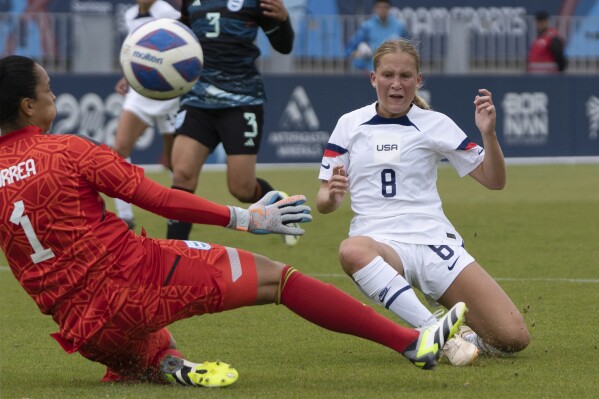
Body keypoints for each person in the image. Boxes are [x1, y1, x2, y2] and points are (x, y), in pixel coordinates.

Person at [0, 55, 468, 387]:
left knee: (147, 344)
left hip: (83, 329)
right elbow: (162, 199)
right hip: (138, 279)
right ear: (27, 106)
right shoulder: (67, 150)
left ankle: (168, 366)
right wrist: (248, 217)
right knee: (280, 280)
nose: (54, 96)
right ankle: (411, 342)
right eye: (47, 90)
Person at [316, 39, 530, 366]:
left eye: (405, 76)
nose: (396, 83)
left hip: (433, 243)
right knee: (351, 249)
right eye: (388, 74)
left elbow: (494, 181)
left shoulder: (435, 123)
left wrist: (489, 133)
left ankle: (463, 337)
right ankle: (433, 330)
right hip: (380, 243)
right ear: (373, 78)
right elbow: (323, 202)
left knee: (513, 338)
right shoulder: (350, 124)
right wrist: (331, 195)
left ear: (418, 81)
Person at [167, 0, 299, 246]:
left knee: (241, 188)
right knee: (182, 173)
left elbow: (284, 47)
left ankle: (282, 205)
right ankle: (174, 253)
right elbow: (179, 39)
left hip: (241, 102)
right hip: (197, 100)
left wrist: (284, 21)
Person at [112, 0, 181, 230]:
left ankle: (180, 211)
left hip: (169, 92)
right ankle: (125, 216)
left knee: (174, 163)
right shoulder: (131, 14)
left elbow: (183, 47)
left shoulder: (167, 12)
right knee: (120, 149)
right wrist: (128, 75)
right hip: (141, 90)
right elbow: (136, 52)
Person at [344, 0, 405, 73]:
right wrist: (360, 59)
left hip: (394, 72)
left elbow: (406, 49)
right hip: (372, 72)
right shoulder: (367, 26)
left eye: (385, 7)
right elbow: (349, 49)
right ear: (375, 8)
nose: (382, 10)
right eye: (379, 7)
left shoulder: (399, 26)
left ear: (390, 8)